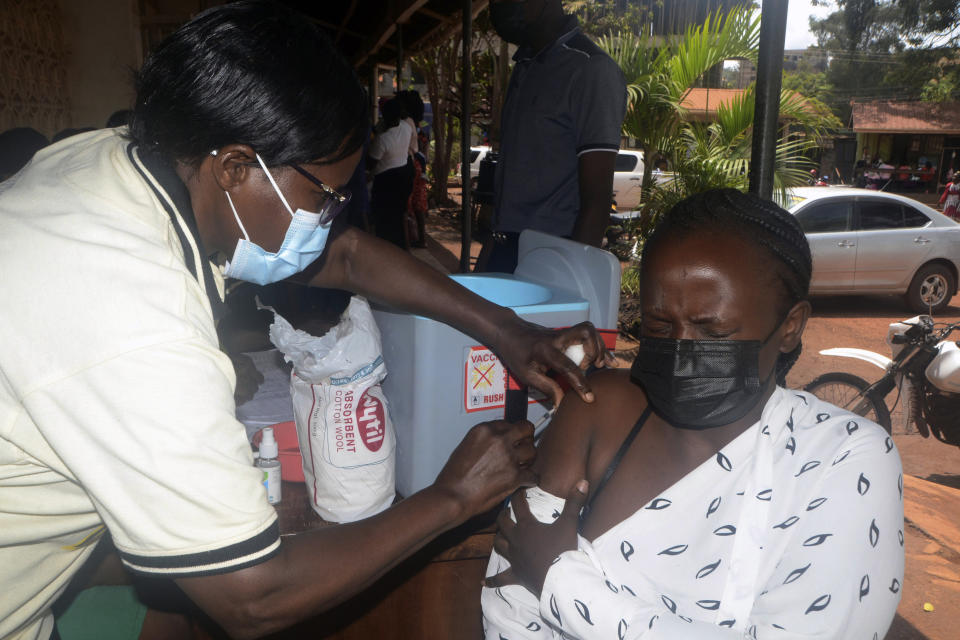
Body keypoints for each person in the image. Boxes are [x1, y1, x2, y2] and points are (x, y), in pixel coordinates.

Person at [0, 4, 611, 639]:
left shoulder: (117, 164)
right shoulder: (134, 318)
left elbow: (344, 256)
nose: (329, 218)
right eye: (323, 196)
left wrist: (508, 330)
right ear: (236, 167)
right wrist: (451, 498)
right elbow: (254, 598)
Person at [482, 189, 904, 639]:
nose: (681, 349)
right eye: (658, 326)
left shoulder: (840, 458)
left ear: (790, 326)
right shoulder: (598, 408)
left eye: (713, 330)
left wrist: (559, 579)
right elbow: (509, 602)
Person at [479, 0, 627, 272]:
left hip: (551, 258)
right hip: (505, 252)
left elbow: (597, 199)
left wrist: (572, 284)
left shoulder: (590, 69)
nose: (496, 7)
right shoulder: (525, 65)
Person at [369, 97, 415, 248]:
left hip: (386, 180)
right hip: (404, 172)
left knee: (384, 219)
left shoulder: (383, 139)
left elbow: (371, 164)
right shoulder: (406, 127)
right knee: (399, 215)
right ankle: (402, 247)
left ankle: (386, 248)